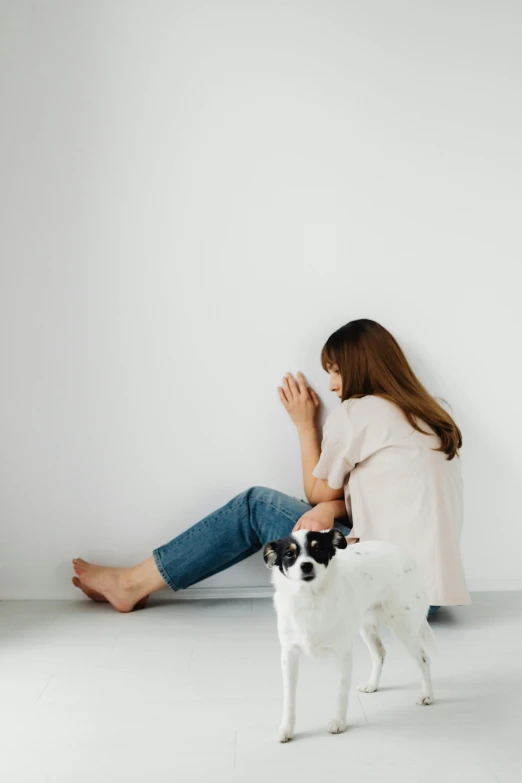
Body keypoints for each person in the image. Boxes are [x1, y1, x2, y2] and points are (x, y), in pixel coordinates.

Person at [72, 318, 470, 616]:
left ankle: (130, 583)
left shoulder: (362, 411)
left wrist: (304, 426)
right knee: (308, 510)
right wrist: (330, 507)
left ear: (360, 366)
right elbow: (391, 504)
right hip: (426, 598)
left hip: (381, 592)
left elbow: (317, 492)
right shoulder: (430, 418)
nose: (332, 385)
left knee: (255, 505)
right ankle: (136, 583)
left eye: (335, 370)